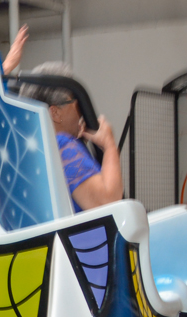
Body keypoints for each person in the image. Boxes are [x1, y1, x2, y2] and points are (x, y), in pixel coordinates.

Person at [18, 62, 123, 212]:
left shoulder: (39, 150)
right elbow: (107, 202)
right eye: (75, 101)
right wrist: (109, 145)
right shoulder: (62, 145)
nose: (81, 110)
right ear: (55, 113)